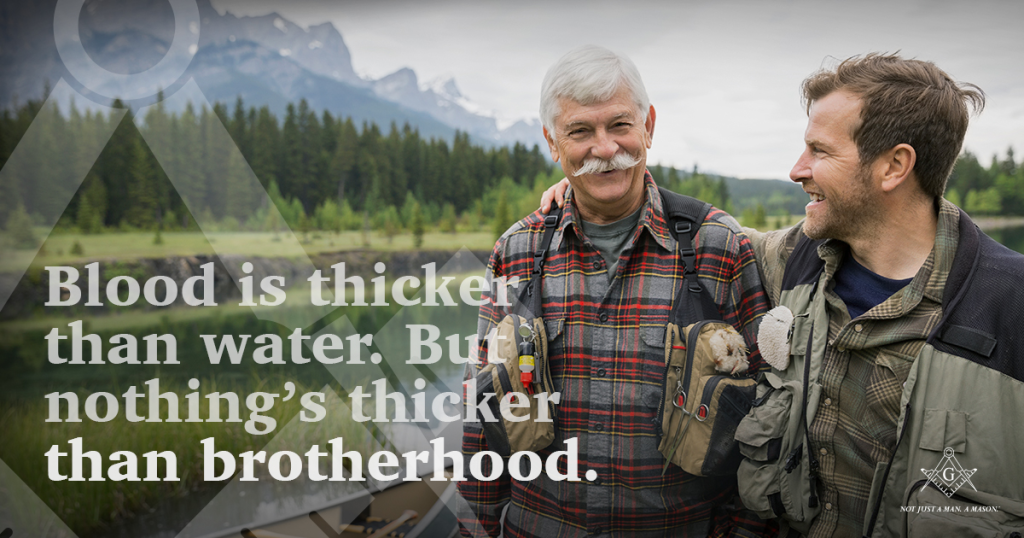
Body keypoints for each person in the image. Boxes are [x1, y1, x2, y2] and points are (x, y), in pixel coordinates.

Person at [541, 53, 1024, 537]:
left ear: (894, 166)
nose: (797, 170)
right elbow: (695, 235)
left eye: (820, 150)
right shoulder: (790, 261)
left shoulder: (1010, 306)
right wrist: (596, 175)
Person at [457, 45, 773, 537]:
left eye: (619, 125)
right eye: (580, 131)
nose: (604, 148)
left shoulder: (719, 246)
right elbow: (482, 414)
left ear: (648, 125)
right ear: (552, 142)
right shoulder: (516, 250)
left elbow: (766, 421)